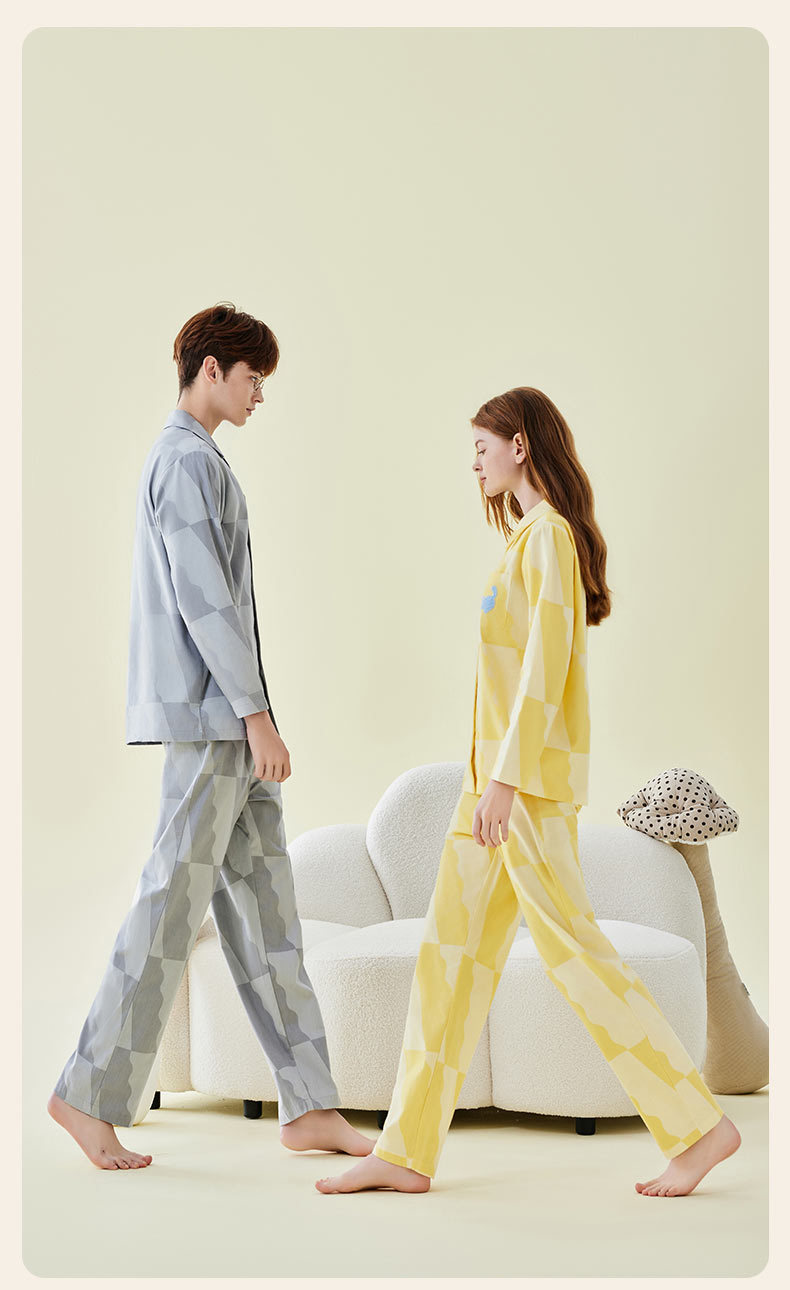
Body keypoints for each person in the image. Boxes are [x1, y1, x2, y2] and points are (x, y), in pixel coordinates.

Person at [315, 386, 741, 1198]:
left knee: (574, 953)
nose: (473, 462)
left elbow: (543, 673)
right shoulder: (523, 541)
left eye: (482, 446)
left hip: (524, 794)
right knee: (448, 961)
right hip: (494, 790)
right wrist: (490, 781)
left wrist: (506, 782)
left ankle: (697, 1125)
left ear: (519, 445)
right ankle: (405, 1151)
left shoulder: (550, 539)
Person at [48, 302, 374, 1170]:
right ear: (211, 369)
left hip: (227, 718)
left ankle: (310, 1105)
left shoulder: (198, 460)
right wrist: (257, 717)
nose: (260, 393)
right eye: (253, 376)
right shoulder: (185, 462)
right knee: (169, 902)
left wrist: (255, 716)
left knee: (269, 914)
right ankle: (86, 1093)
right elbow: (206, 605)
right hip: (213, 720)